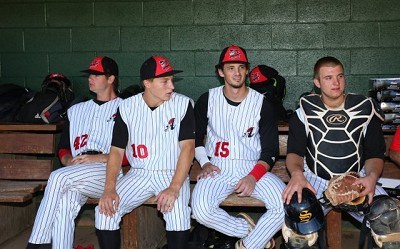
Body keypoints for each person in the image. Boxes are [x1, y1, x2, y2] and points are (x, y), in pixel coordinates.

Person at [282, 56, 388, 241]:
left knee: (391, 220)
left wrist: (371, 177)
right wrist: (297, 174)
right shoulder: (304, 111)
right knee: (297, 233)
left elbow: (375, 153)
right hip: (316, 179)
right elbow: (295, 154)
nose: (336, 83)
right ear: (317, 82)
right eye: (328, 78)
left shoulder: (364, 108)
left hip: (356, 178)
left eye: (340, 76)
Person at [190, 45, 286, 249]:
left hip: (252, 167)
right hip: (217, 167)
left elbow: (270, 150)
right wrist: (205, 163)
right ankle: (250, 232)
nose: (237, 72)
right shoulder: (207, 99)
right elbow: (195, 139)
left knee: (284, 204)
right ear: (220, 72)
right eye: (231, 67)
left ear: (247, 71)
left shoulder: (262, 103)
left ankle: (247, 245)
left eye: (241, 67)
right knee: (200, 210)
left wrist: (253, 176)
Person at [95, 56, 195, 249]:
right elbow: (116, 151)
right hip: (138, 173)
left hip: (171, 173)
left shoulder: (183, 104)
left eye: (172, 80)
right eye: (164, 81)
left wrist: (174, 188)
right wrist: (109, 189)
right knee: (105, 211)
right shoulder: (126, 107)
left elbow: (188, 148)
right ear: (147, 83)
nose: (171, 86)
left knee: (178, 213)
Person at [26, 56, 123, 249]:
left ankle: (37, 243)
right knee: (64, 204)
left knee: (57, 178)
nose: (90, 78)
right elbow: (63, 148)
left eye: (96, 74)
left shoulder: (127, 108)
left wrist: (99, 157)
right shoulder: (76, 110)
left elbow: (130, 151)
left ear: (111, 79)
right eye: (90, 74)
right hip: (77, 170)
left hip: (108, 171)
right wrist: (68, 160)